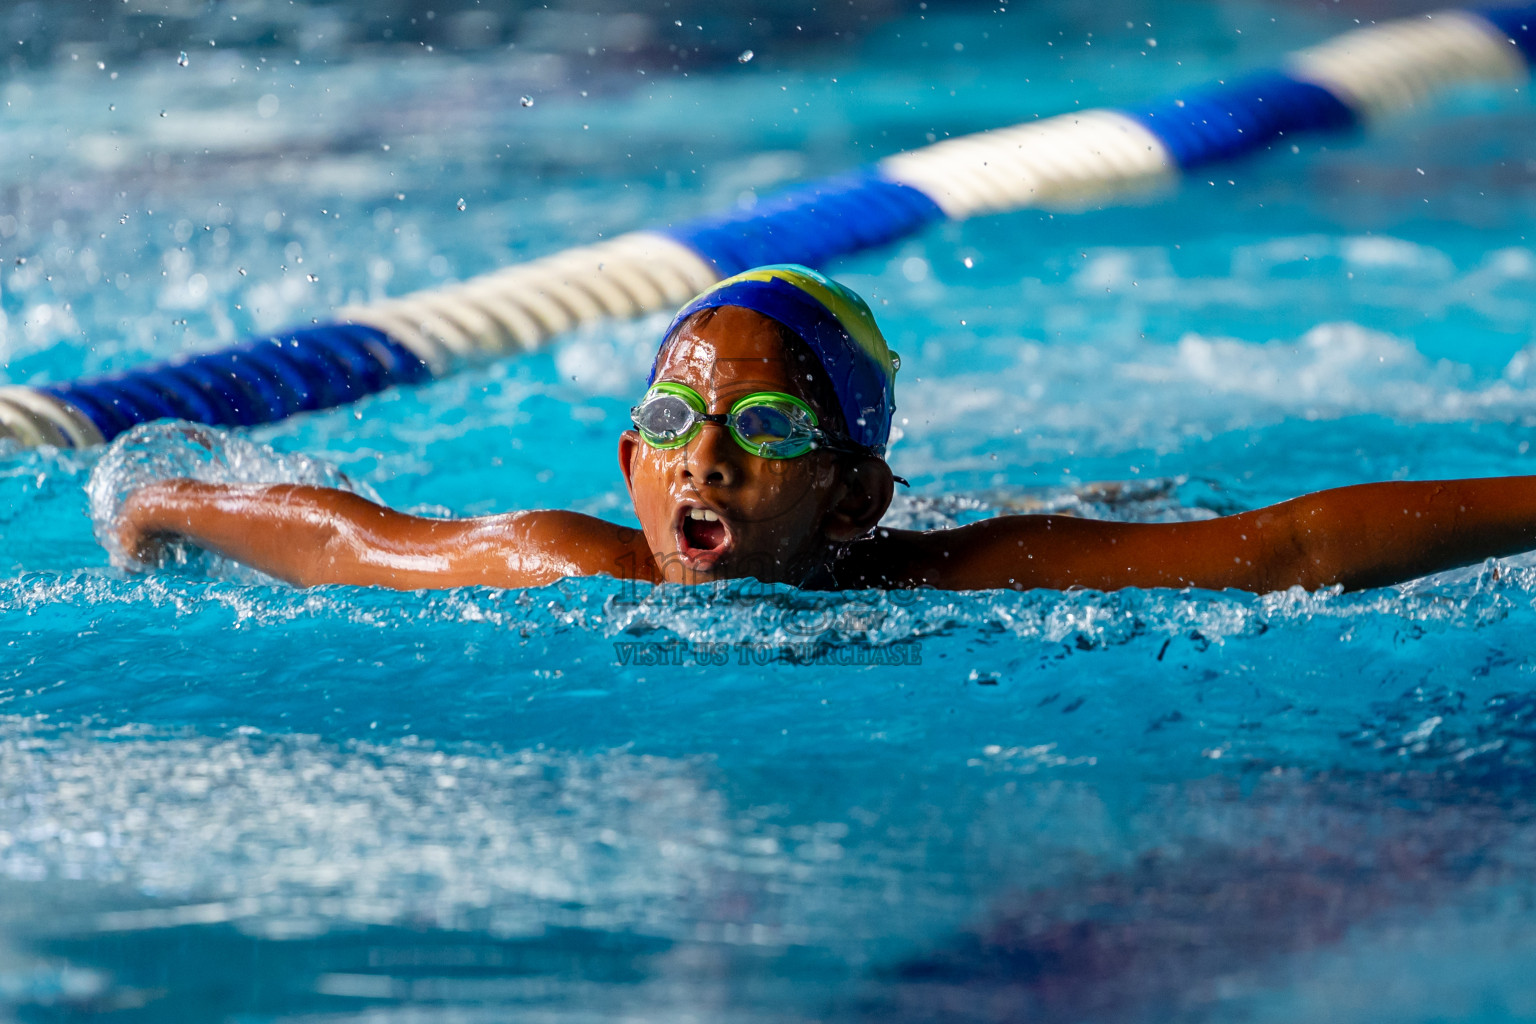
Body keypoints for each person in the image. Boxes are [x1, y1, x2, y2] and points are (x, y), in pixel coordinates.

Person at [113, 264, 1536, 593]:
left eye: (763, 423)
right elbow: (362, 540)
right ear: (630, 464)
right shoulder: (571, 562)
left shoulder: (955, 577)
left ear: (853, 501)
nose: (704, 454)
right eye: (670, 417)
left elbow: (1278, 545)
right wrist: (167, 502)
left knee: (1115, 504)